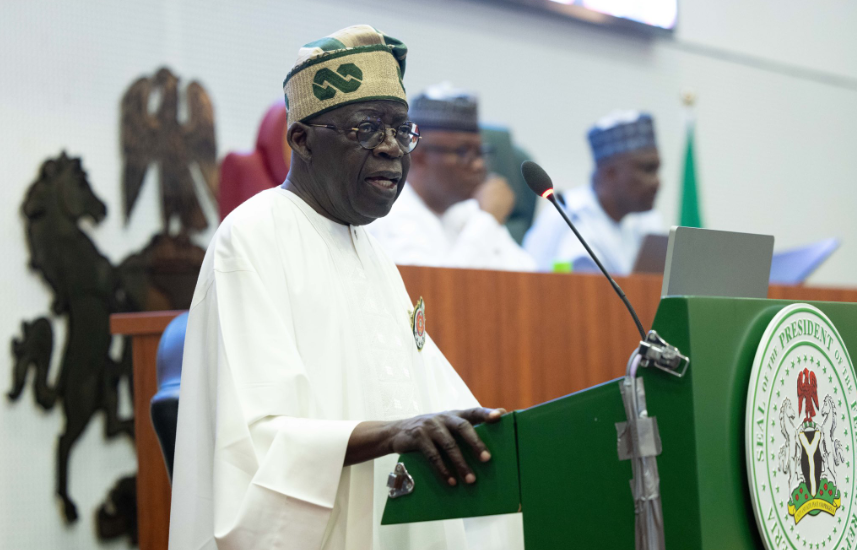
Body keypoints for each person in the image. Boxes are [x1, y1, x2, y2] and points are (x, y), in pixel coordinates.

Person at [169, 25, 522, 550]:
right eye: (367, 129)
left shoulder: (371, 251)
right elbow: (255, 439)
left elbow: (431, 398)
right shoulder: (253, 237)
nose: (391, 149)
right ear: (302, 140)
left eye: (401, 130)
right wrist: (395, 432)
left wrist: (506, 436)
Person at [368, 84, 536, 271]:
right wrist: (488, 220)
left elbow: (527, 274)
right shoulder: (389, 216)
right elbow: (437, 287)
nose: (479, 165)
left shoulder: (469, 209)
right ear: (419, 157)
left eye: (480, 152)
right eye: (463, 152)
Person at [524, 111, 663, 274]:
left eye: (657, 170)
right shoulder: (565, 215)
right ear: (610, 173)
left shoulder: (648, 220)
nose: (657, 182)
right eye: (648, 170)